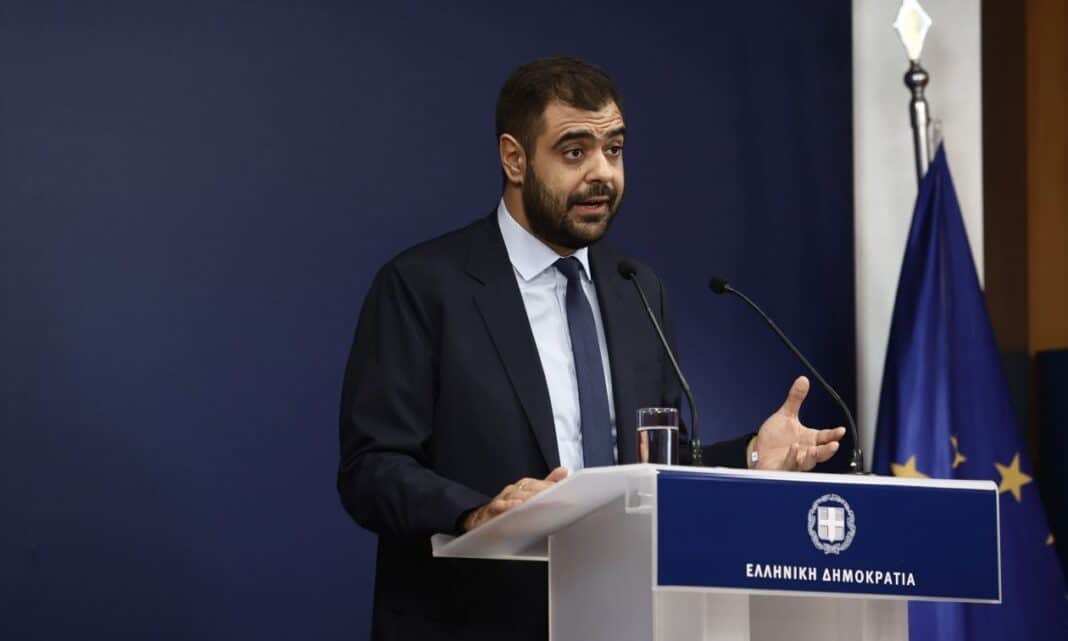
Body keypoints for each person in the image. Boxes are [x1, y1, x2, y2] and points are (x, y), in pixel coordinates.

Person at [337, 57, 845, 641]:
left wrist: (752, 456)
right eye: (575, 151)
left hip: (623, 618)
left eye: (615, 149)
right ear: (514, 159)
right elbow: (372, 469)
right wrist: (475, 512)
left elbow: (654, 470)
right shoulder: (424, 286)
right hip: (476, 620)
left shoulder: (638, 290)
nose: (603, 173)